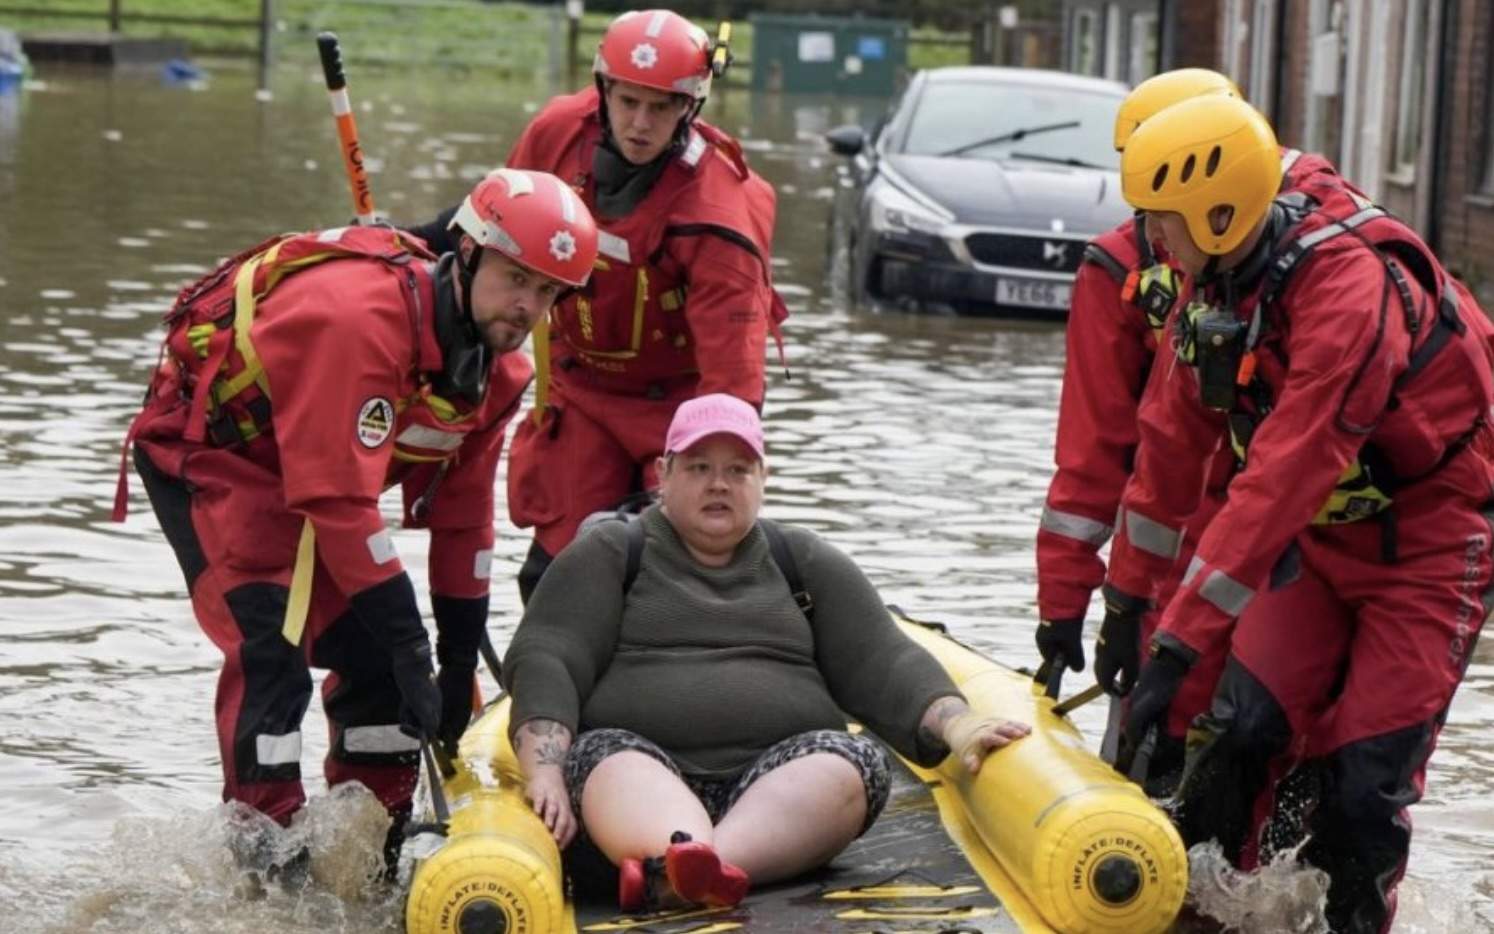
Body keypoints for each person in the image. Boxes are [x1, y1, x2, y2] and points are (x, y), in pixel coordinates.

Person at [116, 169, 600, 872]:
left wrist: (454, 654)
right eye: (516, 279)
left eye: (549, 292)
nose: (528, 306)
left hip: (318, 471)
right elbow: (339, 504)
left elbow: (463, 521)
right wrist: (412, 641)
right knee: (272, 641)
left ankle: (379, 840)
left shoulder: (497, 374)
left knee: (376, 660)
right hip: (215, 456)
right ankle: (265, 857)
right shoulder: (360, 322)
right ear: (466, 253)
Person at [1104, 95, 1494, 933]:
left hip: (1434, 536)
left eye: (1157, 219)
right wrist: (1127, 604)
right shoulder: (1215, 279)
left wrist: (1178, 641)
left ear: (1215, 212)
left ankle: (1342, 916)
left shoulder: (1348, 294)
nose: (1147, 238)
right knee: (1240, 733)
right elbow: (1168, 450)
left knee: (1363, 779)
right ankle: (1204, 915)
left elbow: (1283, 474)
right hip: (1320, 537)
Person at [500, 393, 1030, 911]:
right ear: (664, 473)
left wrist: (960, 725)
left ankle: (691, 873)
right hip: (637, 777)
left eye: (738, 470)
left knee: (853, 761)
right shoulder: (612, 554)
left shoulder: (802, 560)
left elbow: (885, 659)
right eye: (699, 466)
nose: (718, 484)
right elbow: (548, 654)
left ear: (762, 479)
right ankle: (683, 862)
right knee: (607, 756)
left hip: (772, 790)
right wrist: (543, 771)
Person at [1034, 68, 1357, 790]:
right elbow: (1094, 461)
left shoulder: (1310, 256)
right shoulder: (1118, 272)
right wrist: (1076, 607)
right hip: (1187, 553)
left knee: (1280, 737)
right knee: (1160, 735)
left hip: (1287, 535)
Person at [409, 10, 787, 605]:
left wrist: (709, 480)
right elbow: (487, 222)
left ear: (690, 107)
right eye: (627, 101)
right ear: (603, 89)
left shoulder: (718, 219)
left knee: (666, 567)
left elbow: (732, 387)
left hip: (682, 409)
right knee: (552, 576)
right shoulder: (560, 131)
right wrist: (397, 243)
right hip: (582, 391)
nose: (640, 123)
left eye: (660, 107)